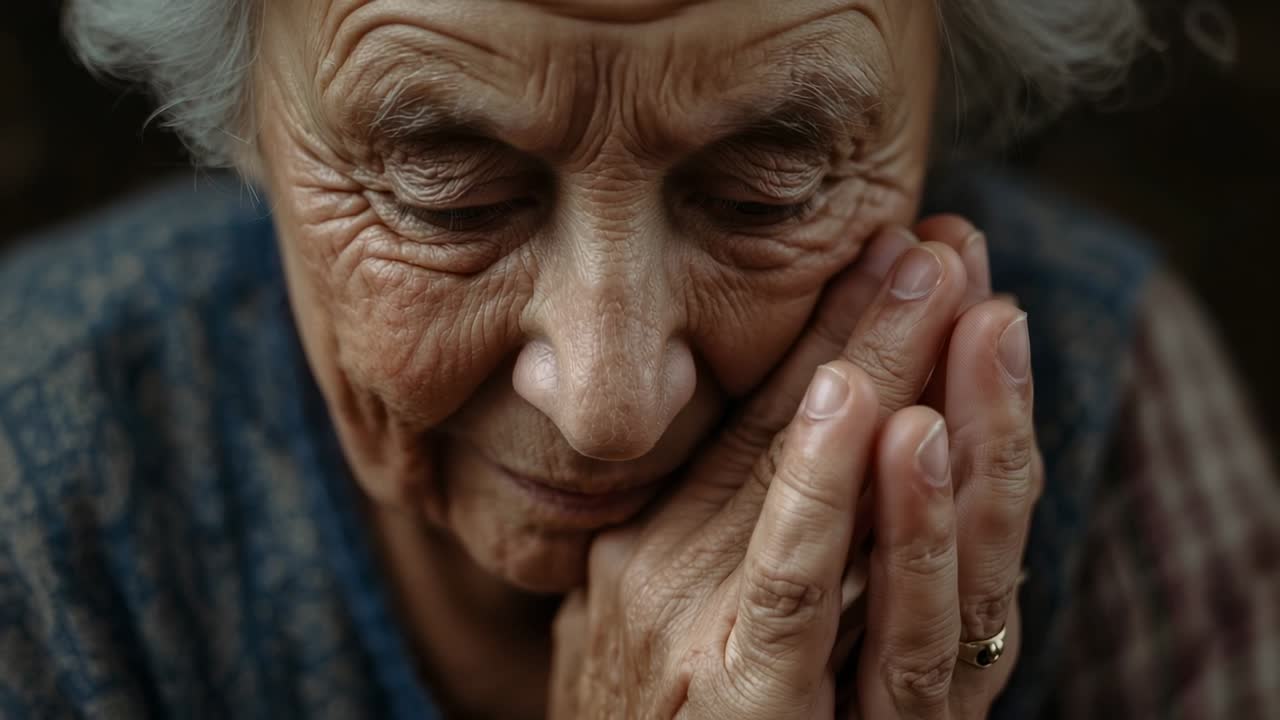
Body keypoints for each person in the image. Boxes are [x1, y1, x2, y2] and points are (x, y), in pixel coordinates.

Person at [0, 0, 1275, 717]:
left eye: (767, 189)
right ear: (246, 131)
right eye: (448, 194)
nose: (606, 401)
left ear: (935, 102)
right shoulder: (36, 495)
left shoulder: (1112, 404)